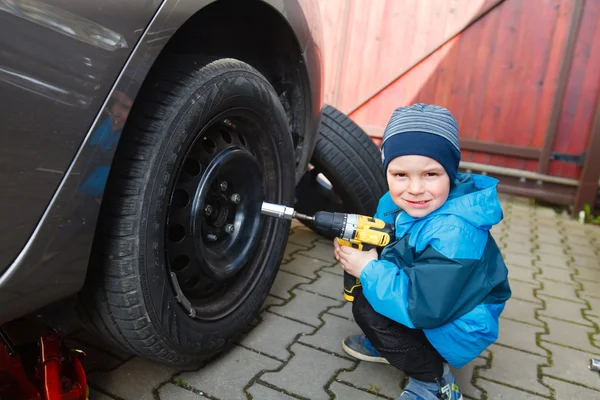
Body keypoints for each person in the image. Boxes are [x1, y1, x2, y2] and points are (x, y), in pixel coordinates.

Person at [333, 103, 511, 400]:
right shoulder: (393, 204)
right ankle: (394, 346)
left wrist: (368, 268)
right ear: (386, 172)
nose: (414, 188)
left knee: (369, 307)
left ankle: (435, 383)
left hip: (461, 322)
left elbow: (423, 305)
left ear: (450, 174)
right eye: (400, 175)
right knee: (368, 298)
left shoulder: (455, 233)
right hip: (436, 301)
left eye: (430, 174)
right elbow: (394, 248)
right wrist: (360, 251)